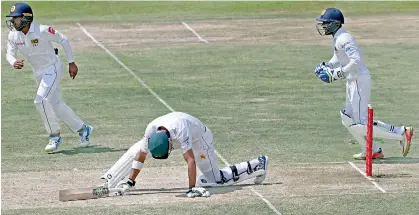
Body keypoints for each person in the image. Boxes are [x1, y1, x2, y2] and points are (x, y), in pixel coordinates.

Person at [314, 8, 413, 160]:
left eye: (326, 23)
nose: (323, 26)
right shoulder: (338, 37)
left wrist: (336, 74)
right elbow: (338, 56)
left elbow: (356, 60)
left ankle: (401, 133)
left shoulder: (344, 38)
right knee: (347, 118)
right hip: (352, 80)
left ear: (335, 24)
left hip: (358, 81)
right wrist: (327, 65)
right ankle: (372, 150)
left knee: (361, 123)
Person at [100, 112, 269, 197]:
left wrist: (191, 189)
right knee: (137, 149)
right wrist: (131, 181)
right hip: (176, 132)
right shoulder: (151, 130)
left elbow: (190, 160)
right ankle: (112, 177)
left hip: (200, 140)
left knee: (214, 180)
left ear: (169, 143)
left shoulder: (181, 132)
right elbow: (141, 155)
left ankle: (259, 164)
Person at [5, 2, 93, 153]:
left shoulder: (43, 30)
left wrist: (71, 63)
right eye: (12, 19)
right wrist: (13, 62)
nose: (13, 22)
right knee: (55, 103)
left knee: (40, 100)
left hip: (52, 68)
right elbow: (9, 53)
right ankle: (83, 129)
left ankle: (54, 136)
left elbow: (63, 40)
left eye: (16, 19)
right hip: (38, 71)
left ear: (26, 18)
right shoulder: (14, 35)